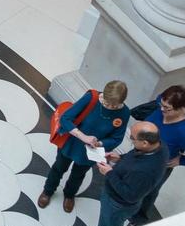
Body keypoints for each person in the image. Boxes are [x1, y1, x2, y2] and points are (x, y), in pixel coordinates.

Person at [38, 80, 130, 213]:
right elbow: (66, 118)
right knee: (59, 168)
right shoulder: (92, 98)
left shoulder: (124, 113)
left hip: (92, 151)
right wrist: (83, 137)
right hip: (72, 143)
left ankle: (69, 195)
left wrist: (100, 143)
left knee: (78, 175)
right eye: (106, 102)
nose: (108, 106)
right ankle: (48, 190)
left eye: (113, 105)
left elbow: (117, 138)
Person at [75, 121, 169, 226]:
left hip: (118, 204)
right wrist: (120, 158)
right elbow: (135, 156)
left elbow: (130, 195)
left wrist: (109, 173)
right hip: (116, 197)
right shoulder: (159, 146)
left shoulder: (145, 172)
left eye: (132, 138)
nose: (130, 140)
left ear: (145, 143)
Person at [130, 84, 185, 226]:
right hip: (141, 152)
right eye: (162, 105)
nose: (162, 109)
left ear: (180, 108)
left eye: (167, 108)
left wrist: (180, 160)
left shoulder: (182, 133)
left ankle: (138, 219)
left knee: (149, 192)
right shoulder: (162, 105)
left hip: (159, 165)